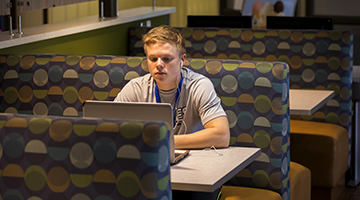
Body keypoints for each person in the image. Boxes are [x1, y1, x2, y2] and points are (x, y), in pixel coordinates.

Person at [114, 25, 229, 150]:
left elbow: (222, 136)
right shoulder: (135, 88)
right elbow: (107, 127)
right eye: (153, 59)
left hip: (195, 160)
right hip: (148, 156)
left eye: (167, 59)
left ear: (182, 59)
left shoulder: (199, 86)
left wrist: (162, 141)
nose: (159, 64)